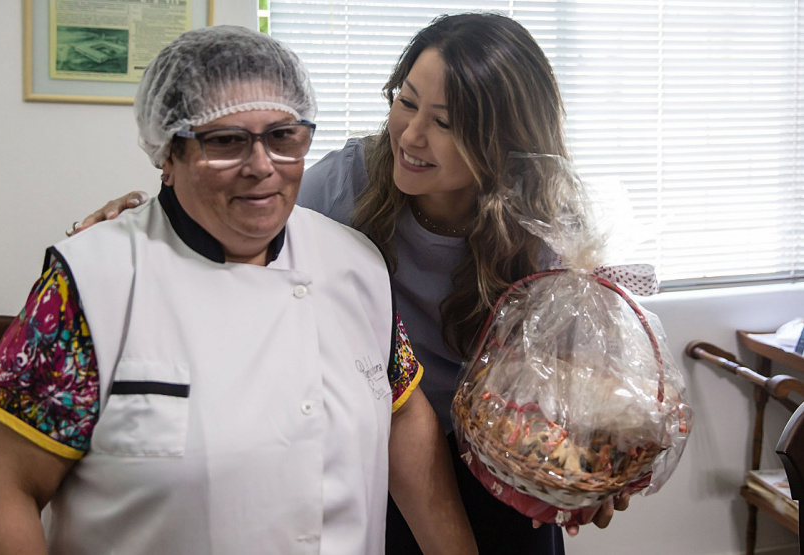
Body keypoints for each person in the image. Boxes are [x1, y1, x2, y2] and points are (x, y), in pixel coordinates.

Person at [72, 12, 630, 554]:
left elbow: (583, 386)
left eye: (445, 122)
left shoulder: (552, 230)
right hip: (378, 460)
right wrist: (141, 221)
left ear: (502, 137)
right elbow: (239, 213)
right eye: (405, 102)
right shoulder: (348, 184)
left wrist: (596, 463)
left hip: (504, 472)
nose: (411, 135)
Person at [0, 25, 477, 555]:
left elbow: (402, 410)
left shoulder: (356, 265)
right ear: (168, 153)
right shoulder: (88, 286)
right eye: (226, 142)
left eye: (283, 137)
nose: (261, 167)